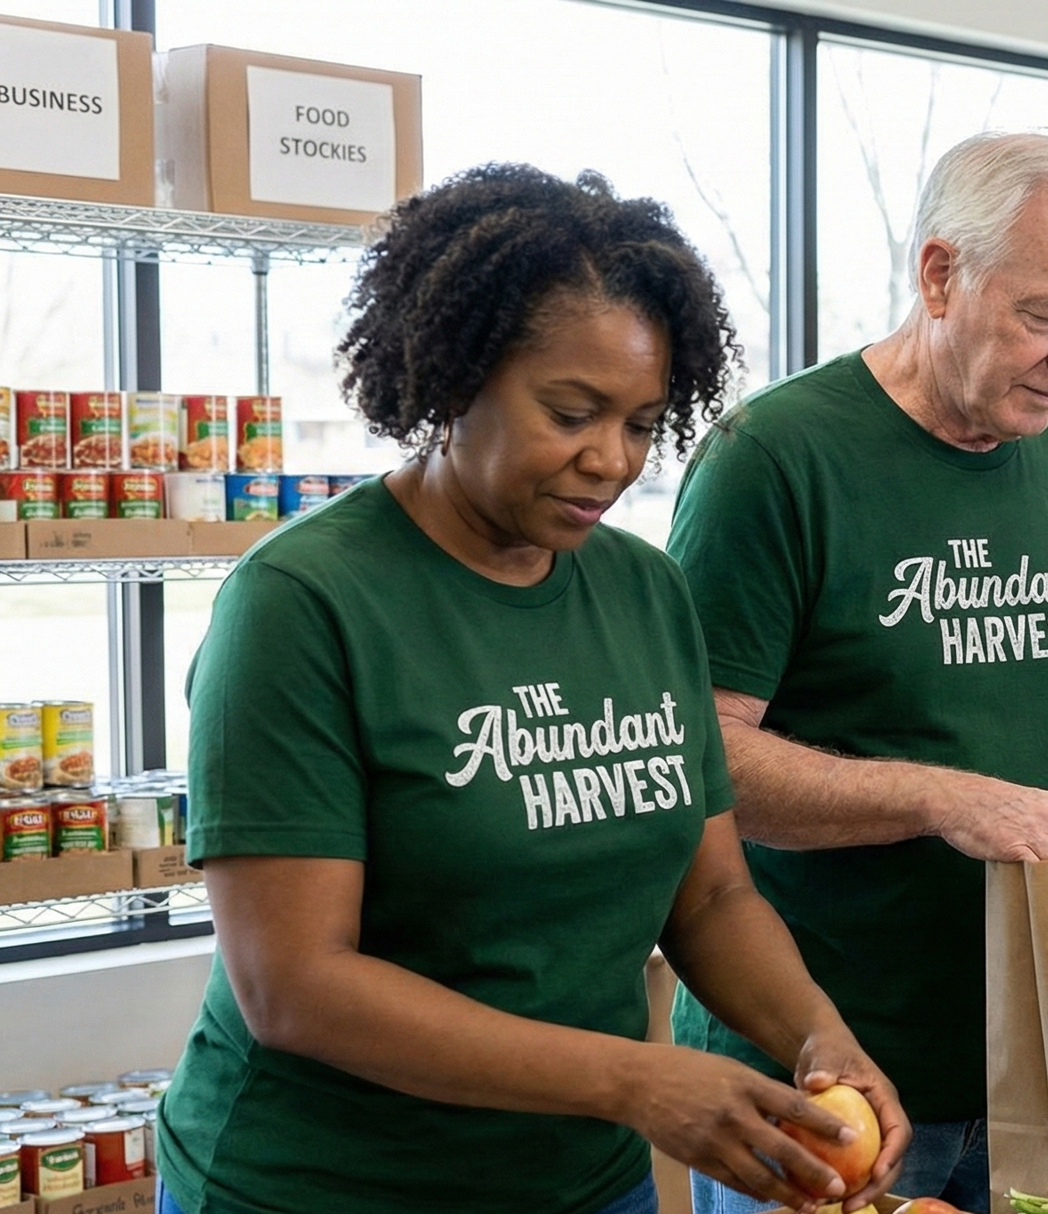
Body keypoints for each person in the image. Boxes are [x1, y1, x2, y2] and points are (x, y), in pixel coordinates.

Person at [158, 165, 908, 1214]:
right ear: (456, 375)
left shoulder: (644, 591)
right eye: (571, 411)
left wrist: (816, 1031)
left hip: (580, 1183)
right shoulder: (300, 602)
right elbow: (295, 983)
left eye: (643, 423)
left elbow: (713, 893)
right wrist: (637, 1079)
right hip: (327, 1185)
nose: (610, 460)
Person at [666, 131, 1048, 1214]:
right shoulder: (772, 457)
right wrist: (938, 795)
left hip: (1040, 1064)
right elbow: (702, 760)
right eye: (1047, 314)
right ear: (939, 274)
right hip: (825, 1078)